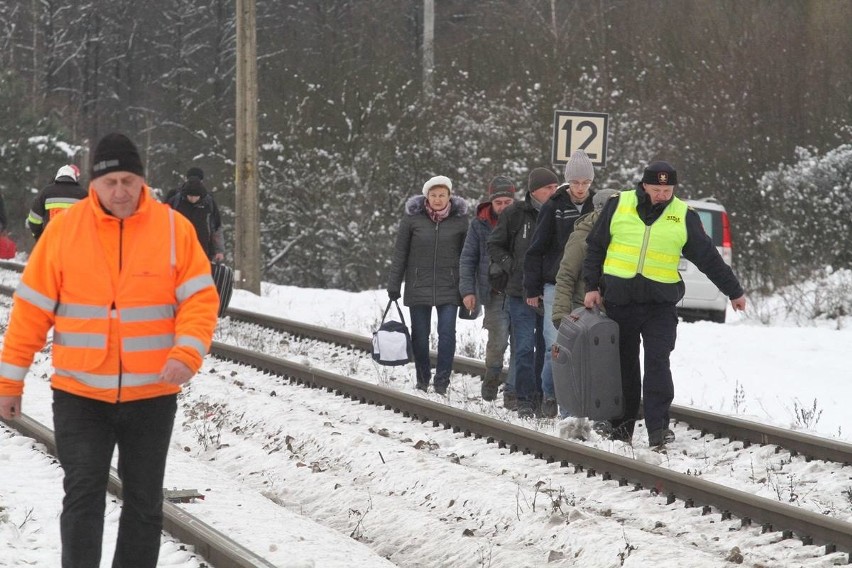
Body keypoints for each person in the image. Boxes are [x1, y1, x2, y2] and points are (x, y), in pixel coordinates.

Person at [0, 132, 219, 568]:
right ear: (94, 185)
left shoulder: (174, 229)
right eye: (110, 182)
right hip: (80, 395)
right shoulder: (64, 231)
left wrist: (186, 353)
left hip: (152, 393)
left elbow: (200, 298)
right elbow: (31, 311)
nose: (120, 191)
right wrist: (10, 380)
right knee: (83, 495)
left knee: (143, 502)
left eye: (128, 180)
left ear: (143, 180)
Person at [583, 160, 746, 446]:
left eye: (667, 189)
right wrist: (591, 287)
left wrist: (733, 291)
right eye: (657, 188)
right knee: (626, 367)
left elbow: (708, 257)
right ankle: (622, 429)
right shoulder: (618, 205)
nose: (662, 194)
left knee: (658, 363)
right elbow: (596, 246)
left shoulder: (683, 215)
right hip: (621, 303)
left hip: (660, 306)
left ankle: (658, 430)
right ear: (644, 185)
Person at [523, 150, 596, 418]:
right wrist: (532, 288)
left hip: (586, 285)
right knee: (556, 344)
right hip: (554, 283)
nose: (580, 189)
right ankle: (551, 394)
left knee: (580, 348)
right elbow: (537, 248)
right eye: (575, 183)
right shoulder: (554, 206)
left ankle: (573, 400)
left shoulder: (597, 207)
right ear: (568, 182)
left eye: (585, 183)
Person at [387, 175, 469, 394]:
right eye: (433, 195)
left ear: (450, 196)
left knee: (447, 333)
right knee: (420, 336)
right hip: (418, 284)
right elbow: (400, 254)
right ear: (427, 197)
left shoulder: (461, 221)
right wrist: (394, 284)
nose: (437, 199)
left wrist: (469, 288)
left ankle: (442, 382)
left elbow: (467, 257)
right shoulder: (412, 220)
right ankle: (422, 379)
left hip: (450, 286)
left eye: (442, 195)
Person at [487, 167, 558, 417]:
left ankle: (541, 397)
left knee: (546, 347)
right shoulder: (515, 213)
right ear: (534, 190)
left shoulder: (560, 210)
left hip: (548, 290)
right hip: (519, 292)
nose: (553, 191)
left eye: (554, 186)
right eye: (548, 187)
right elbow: (494, 244)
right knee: (525, 347)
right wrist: (511, 265)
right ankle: (524, 399)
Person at [459, 175, 517, 401]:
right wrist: (467, 291)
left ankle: (512, 390)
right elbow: (468, 258)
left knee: (521, 343)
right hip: (493, 293)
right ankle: (491, 378)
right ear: (491, 202)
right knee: (498, 341)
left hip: (518, 292)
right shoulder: (479, 225)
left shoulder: (523, 220)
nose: (503, 207)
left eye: (507, 202)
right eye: (498, 203)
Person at [551, 188, 620, 327]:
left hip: (619, 312)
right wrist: (561, 314)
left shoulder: (625, 234)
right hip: (586, 311)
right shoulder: (581, 237)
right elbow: (566, 276)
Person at [168, 167, 225, 262]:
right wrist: (219, 250)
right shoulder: (175, 199)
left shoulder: (208, 201)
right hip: (180, 249)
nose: (193, 199)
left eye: (196, 197)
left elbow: (215, 226)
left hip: (200, 249)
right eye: (190, 196)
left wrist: (218, 250)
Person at [27, 164, 88, 242]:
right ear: (74, 178)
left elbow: (34, 219)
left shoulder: (46, 192)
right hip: (75, 244)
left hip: (51, 242)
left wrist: (39, 237)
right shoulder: (83, 194)